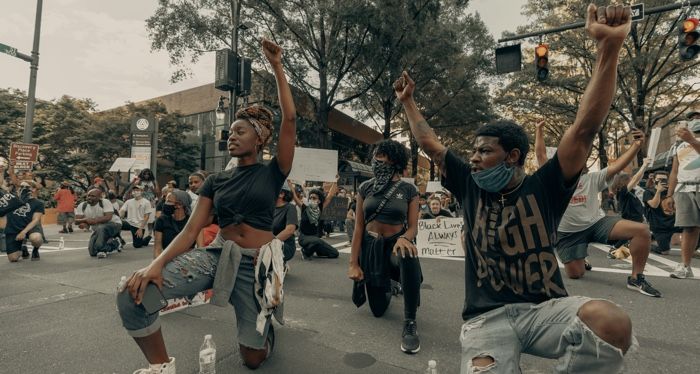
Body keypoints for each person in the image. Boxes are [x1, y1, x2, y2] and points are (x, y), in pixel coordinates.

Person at [397, 5, 636, 372]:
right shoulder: (468, 184)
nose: (473, 158)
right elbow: (429, 142)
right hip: (486, 319)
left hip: (544, 312)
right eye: (472, 151)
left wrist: (610, 48)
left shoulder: (546, 187)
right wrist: (409, 102)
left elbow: (585, 128)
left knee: (612, 322)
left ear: (512, 157)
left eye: (484, 151)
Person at [117, 38, 295, 373]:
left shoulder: (273, 173)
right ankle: (160, 368)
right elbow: (190, 230)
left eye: (240, 131)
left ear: (258, 138)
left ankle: (264, 330)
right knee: (133, 293)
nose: (231, 136)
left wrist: (277, 67)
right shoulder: (216, 180)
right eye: (229, 132)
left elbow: (291, 121)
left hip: (255, 265)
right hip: (217, 255)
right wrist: (155, 264)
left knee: (252, 359)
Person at [554, 128, 661, 297]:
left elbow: (617, 165)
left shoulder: (592, 178)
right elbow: (540, 156)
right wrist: (539, 132)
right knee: (576, 274)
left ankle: (636, 278)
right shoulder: (554, 181)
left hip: (597, 224)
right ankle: (580, 254)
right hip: (569, 234)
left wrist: (636, 145)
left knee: (642, 231)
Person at [348, 139, 422, 354]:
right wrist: (353, 263)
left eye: (383, 157)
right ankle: (389, 283)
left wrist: (405, 238)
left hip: (396, 245)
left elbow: (413, 227)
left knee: (407, 255)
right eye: (376, 157)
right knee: (378, 310)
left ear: (395, 161)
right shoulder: (365, 187)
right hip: (372, 247)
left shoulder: (409, 189)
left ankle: (410, 323)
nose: (377, 161)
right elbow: (359, 228)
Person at [667, 113, 700, 279]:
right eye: (691, 118)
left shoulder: (693, 141)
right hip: (684, 189)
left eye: (698, 117)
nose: (695, 120)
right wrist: (669, 195)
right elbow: (674, 171)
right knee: (689, 228)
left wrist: (693, 140)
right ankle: (685, 266)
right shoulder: (678, 145)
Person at [290, 180, 340, 260]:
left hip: (314, 238)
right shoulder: (304, 208)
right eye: (310, 197)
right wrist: (289, 182)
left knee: (334, 253)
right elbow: (295, 197)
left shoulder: (320, 209)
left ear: (319, 200)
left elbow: (330, 196)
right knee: (317, 241)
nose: (311, 199)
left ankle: (312, 249)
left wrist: (335, 181)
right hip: (304, 237)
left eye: (314, 198)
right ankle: (305, 251)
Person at [76, 188, 123, 258]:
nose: (89, 198)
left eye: (93, 196)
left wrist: (93, 221)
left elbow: (108, 217)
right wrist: (85, 222)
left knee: (101, 228)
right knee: (92, 252)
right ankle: (115, 243)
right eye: (88, 195)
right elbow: (77, 220)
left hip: (114, 224)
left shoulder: (105, 202)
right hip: (98, 228)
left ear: (99, 197)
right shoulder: (83, 205)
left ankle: (101, 250)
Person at [4, 181, 44, 262]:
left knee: (36, 238)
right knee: (13, 258)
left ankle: (35, 249)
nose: (24, 189)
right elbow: (2, 185)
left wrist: (23, 232)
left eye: (28, 187)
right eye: (22, 187)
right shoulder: (11, 199)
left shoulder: (38, 203)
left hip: (30, 227)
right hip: (14, 228)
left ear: (34, 189)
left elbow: (36, 220)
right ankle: (22, 246)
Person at [644, 171, 680, 255]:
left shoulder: (671, 191)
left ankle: (694, 247)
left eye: (664, 179)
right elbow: (654, 205)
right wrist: (658, 191)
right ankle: (648, 245)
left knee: (694, 228)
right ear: (653, 180)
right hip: (660, 226)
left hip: (674, 223)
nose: (661, 181)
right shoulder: (648, 192)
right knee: (665, 251)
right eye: (659, 179)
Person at [153, 189, 192, 259]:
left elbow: (200, 247)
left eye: (169, 201)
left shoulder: (192, 221)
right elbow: (157, 248)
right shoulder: (161, 220)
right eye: (166, 200)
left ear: (179, 204)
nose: (165, 204)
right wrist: (158, 265)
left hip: (188, 261)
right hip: (168, 261)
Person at [273, 184, 299, 263]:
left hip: (284, 245)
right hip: (266, 242)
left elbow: (290, 230)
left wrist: (271, 243)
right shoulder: (268, 207)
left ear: (281, 194)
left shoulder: (290, 208)